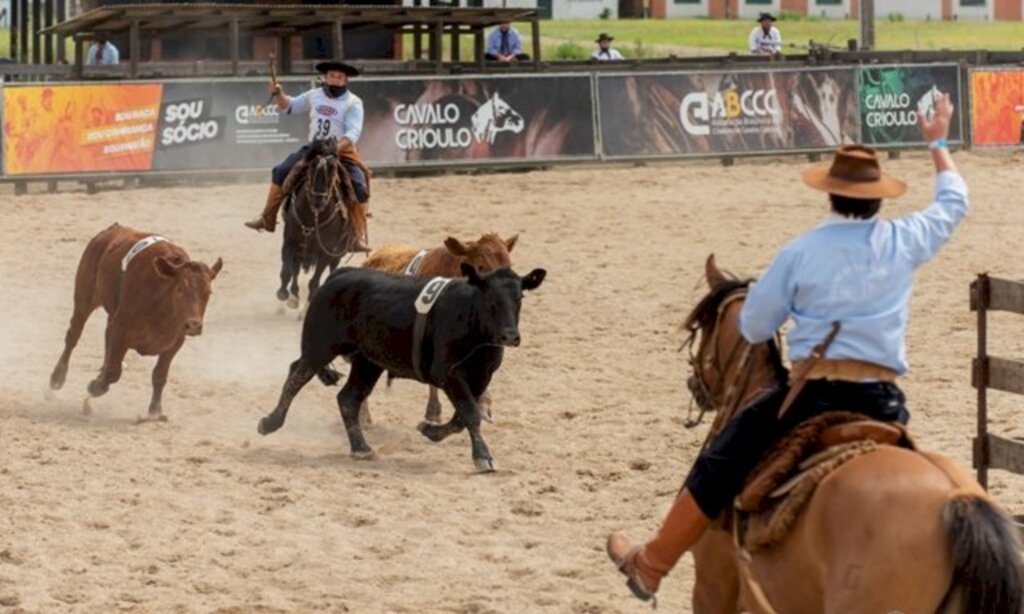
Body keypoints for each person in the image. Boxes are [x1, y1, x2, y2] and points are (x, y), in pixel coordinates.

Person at [606, 94, 967, 603]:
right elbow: (954, 203)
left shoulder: (800, 252)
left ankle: (651, 563)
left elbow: (754, 326)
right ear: (879, 199)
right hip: (884, 402)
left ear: (831, 196)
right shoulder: (905, 238)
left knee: (720, 460)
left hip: (813, 398)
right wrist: (937, 141)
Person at [244, 60, 371, 251]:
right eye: (331, 76)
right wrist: (279, 94)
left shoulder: (354, 102)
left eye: (339, 77)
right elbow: (290, 106)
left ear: (345, 80)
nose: (335, 80)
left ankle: (356, 236)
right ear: (325, 77)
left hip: (342, 152)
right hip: (314, 148)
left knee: (360, 187)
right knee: (281, 171)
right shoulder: (314, 95)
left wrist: (334, 149)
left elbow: (353, 134)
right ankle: (267, 218)